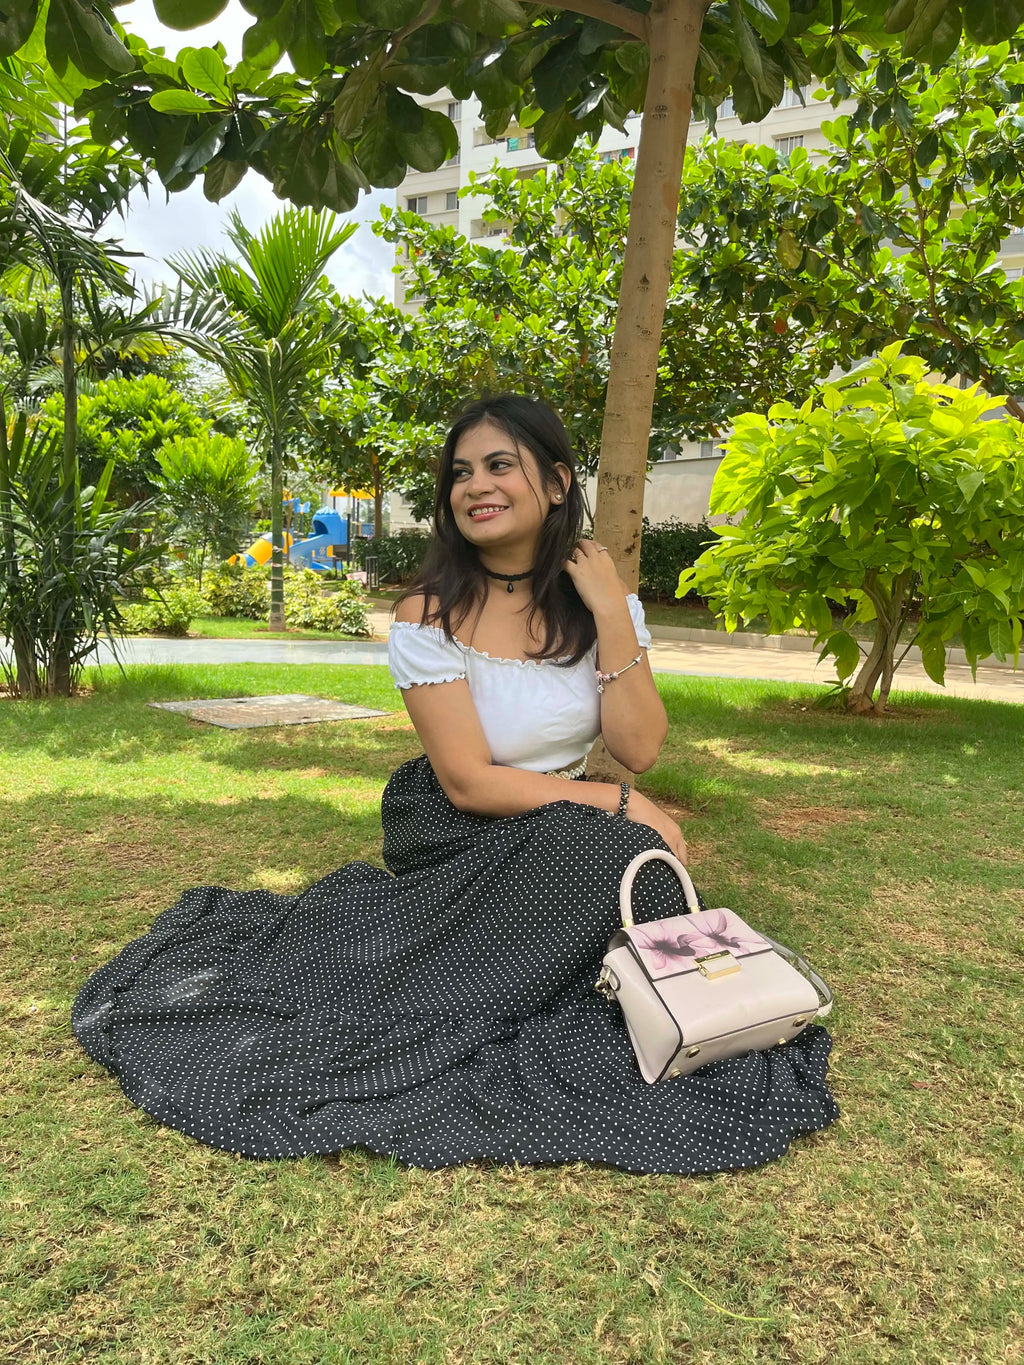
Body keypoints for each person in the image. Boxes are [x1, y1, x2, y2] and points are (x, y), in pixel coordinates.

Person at [72, 395, 837, 1174]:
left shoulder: (601, 602)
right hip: (461, 821)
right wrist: (620, 802)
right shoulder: (429, 611)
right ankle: (496, 977)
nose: (476, 485)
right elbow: (470, 781)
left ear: (557, 481)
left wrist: (611, 609)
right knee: (612, 848)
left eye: (500, 465)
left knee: (634, 873)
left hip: (561, 818)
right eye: (461, 472)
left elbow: (638, 746)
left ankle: (560, 966)